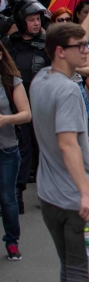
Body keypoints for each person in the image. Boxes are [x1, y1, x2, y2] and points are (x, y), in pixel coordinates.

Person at [30, 22, 89, 281]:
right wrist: (86, 194)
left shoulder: (40, 79)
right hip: (74, 199)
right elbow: (67, 143)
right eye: (80, 46)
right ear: (60, 51)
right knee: (83, 271)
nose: (86, 50)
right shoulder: (68, 90)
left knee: (69, 268)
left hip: (49, 194)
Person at [2, 0, 51, 214]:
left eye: (38, 19)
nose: (36, 23)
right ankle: (16, 194)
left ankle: (48, 194)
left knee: (46, 151)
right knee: (21, 149)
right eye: (31, 19)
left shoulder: (48, 43)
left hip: (43, 106)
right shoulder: (9, 44)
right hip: (18, 107)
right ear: (22, 22)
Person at [0, 42, 32, 261]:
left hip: (6, 149)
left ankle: (12, 242)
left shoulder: (11, 81)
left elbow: (26, 114)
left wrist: (5, 120)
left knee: (7, 198)